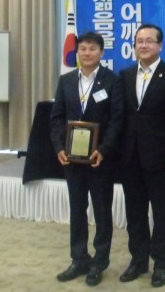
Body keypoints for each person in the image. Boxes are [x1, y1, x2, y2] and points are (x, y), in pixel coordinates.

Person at [119, 23, 165, 288]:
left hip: (160, 155)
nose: (144, 45)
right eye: (139, 41)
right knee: (134, 211)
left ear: (160, 46)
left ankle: (161, 263)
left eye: (149, 41)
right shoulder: (125, 75)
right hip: (129, 155)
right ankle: (138, 261)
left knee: (161, 212)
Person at [50, 31, 124, 287]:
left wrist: (103, 149)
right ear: (77, 52)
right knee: (77, 210)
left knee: (102, 212)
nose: (87, 53)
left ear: (101, 52)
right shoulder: (66, 80)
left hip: (99, 159)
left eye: (92, 49)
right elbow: (56, 118)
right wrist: (59, 147)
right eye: (83, 49)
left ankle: (99, 263)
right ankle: (79, 259)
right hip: (72, 160)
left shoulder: (112, 81)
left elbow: (117, 121)